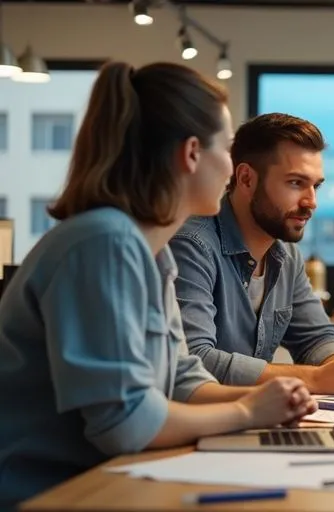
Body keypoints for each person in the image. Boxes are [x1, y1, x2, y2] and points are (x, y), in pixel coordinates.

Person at [0, 62, 316, 508]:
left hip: (108, 481)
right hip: (47, 494)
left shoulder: (152, 249)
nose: (231, 166)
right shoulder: (104, 243)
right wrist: (247, 412)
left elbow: (180, 380)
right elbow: (124, 424)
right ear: (191, 153)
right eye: (226, 149)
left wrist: (267, 400)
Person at [169, 113, 334, 393]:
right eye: (296, 183)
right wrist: (314, 378)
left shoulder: (286, 255)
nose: (311, 202)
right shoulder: (191, 245)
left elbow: (316, 337)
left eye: (316, 186)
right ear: (246, 179)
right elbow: (195, 359)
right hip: (197, 428)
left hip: (254, 417)